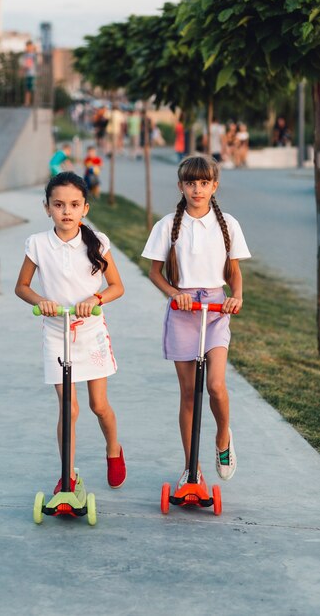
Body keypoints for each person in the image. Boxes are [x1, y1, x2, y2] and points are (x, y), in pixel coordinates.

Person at [141, 155, 251, 489]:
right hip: (183, 311)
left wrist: (237, 296)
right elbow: (154, 272)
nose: (197, 189)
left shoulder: (227, 224)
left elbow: (233, 270)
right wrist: (175, 293)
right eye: (191, 183)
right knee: (189, 393)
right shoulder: (167, 225)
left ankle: (222, 439)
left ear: (214, 186)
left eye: (204, 183)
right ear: (181, 186)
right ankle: (192, 468)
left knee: (215, 385)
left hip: (216, 311)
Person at [15, 172, 126, 493]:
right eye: (59, 204)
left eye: (74, 205)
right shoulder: (37, 244)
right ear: (47, 207)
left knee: (98, 405)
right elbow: (21, 287)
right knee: (69, 408)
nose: (66, 211)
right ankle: (68, 474)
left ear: (85, 209)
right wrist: (41, 301)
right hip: (56, 332)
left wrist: (97, 298)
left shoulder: (97, 242)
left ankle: (113, 449)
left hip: (90, 331)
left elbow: (117, 286)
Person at [21, 40, 37, 107]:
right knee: (28, 89)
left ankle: (32, 103)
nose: (28, 48)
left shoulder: (32, 54)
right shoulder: (26, 54)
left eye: (29, 46)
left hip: (32, 73)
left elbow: (29, 64)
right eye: (27, 46)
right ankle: (27, 102)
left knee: (31, 89)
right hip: (28, 74)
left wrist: (23, 70)